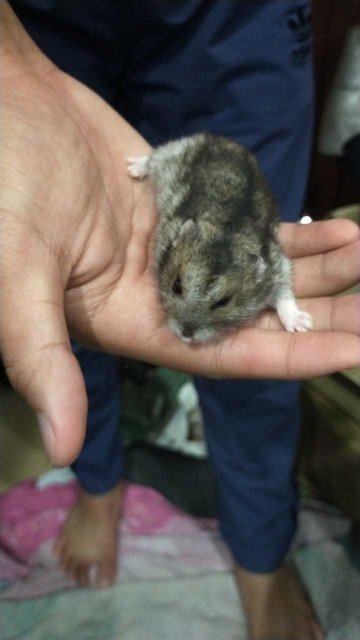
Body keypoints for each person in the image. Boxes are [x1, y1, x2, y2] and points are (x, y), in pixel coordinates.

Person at [1, 3, 360, 639]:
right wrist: (9, 67)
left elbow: (274, 271)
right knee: (77, 279)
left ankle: (259, 548)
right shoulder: (175, 233)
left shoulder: (255, 262)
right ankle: (98, 478)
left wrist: (285, 305)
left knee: (256, 367)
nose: (184, 328)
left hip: (234, 15)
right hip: (42, 13)